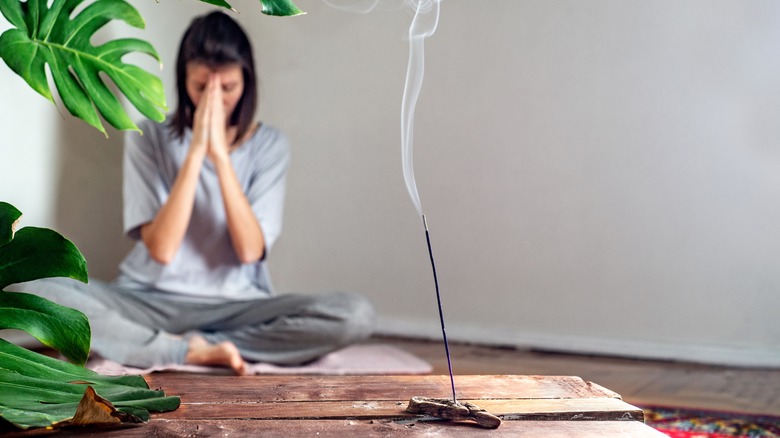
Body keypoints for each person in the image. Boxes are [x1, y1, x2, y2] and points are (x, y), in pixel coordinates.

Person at [9, 11, 375, 374]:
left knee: (355, 315)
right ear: (183, 80)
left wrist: (220, 154)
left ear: (246, 82)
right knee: (34, 286)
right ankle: (182, 350)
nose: (214, 98)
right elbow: (163, 249)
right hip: (147, 299)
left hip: (238, 308)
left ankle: (174, 343)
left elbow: (250, 250)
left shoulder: (269, 144)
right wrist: (197, 151)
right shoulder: (148, 136)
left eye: (228, 88)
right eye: (201, 87)